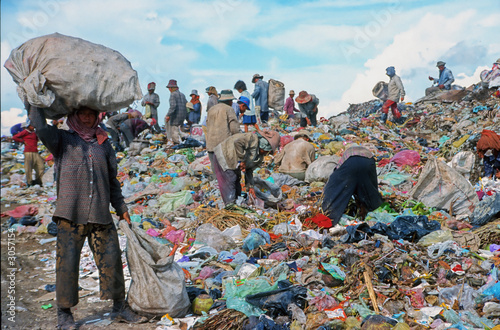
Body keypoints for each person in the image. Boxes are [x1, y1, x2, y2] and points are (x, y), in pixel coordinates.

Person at [27, 105, 147, 329]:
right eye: (82, 113)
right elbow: (41, 127)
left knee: (112, 260)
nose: (87, 117)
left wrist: (122, 209)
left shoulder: (104, 143)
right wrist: (34, 102)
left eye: (91, 114)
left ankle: (119, 307)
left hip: (100, 213)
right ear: (73, 115)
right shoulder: (62, 140)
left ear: (97, 117)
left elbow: (113, 181)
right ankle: (64, 313)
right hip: (70, 214)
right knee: (67, 265)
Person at [212, 130, 280, 205]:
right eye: (266, 150)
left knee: (237, 180)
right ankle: (230, 207)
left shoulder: (259, 157)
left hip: (234, 161)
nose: (266, 153)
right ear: (263, 145)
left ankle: (236, 203)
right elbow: (238, 143)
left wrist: (250, 187)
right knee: (231, 180)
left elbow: (249, 170)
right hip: (225, 154)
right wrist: (242, 160)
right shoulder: (252, 138)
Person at [321, 145, 383, 225]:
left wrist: (327, 195)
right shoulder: (366, 153)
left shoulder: (345, 157)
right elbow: (372, 182)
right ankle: (373, 210)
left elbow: (336, 176)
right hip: (368, 162)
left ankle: (331, 216)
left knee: (338, 189)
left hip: (351, 163)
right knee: (369, 188)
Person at [205, 89, 240, 166]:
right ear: (229, 101)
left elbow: (207, 126)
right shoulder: (229, 109)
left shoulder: (211, 110)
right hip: (223, 146)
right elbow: (234, 129)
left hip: (211, 145)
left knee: (216, 172)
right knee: (226, 172)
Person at [13, 121, 45, 186]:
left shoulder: (34, 133)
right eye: (32, 126)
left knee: (41, 166)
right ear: (28, 126)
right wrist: (22, 141)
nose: (33, 127)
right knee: (28, 168)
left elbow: (37, 139)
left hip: (35, 152)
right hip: (28, 152)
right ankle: (30, 182)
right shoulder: (25, 132)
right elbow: (15, 137)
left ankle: (38, 180)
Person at [165, 79, 188, 144]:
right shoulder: (182, 95)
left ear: (172, 88)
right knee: (180, 132)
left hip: (175, 117)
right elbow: (186, 105)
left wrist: (168, 115)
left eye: (169, 88)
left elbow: (173, 106)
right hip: (182, 117)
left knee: (175, 134)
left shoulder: (173, 94)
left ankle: (177, 145)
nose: (169, 90)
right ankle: (183, 142)